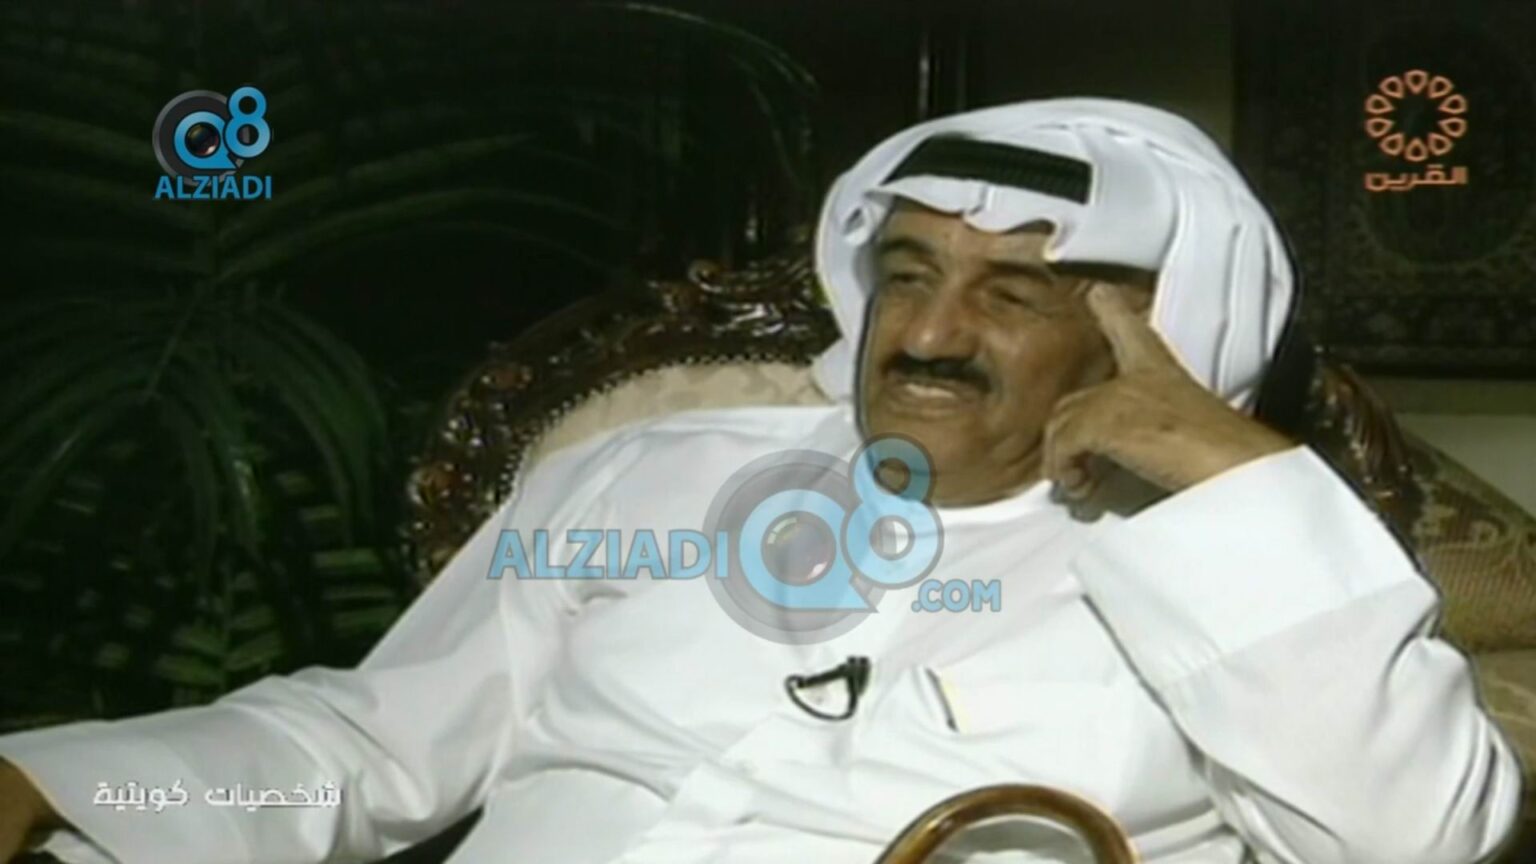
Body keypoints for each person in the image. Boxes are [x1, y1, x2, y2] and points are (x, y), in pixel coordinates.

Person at [0, 99, 1523, 864]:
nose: (926, 334)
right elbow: (376, 739)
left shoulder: (1254, 569)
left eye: (1011, 294)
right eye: (907, 274)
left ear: (1156, 337)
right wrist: (65, 785)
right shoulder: (653, 476)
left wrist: (1227, 474)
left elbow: (1416, 844)